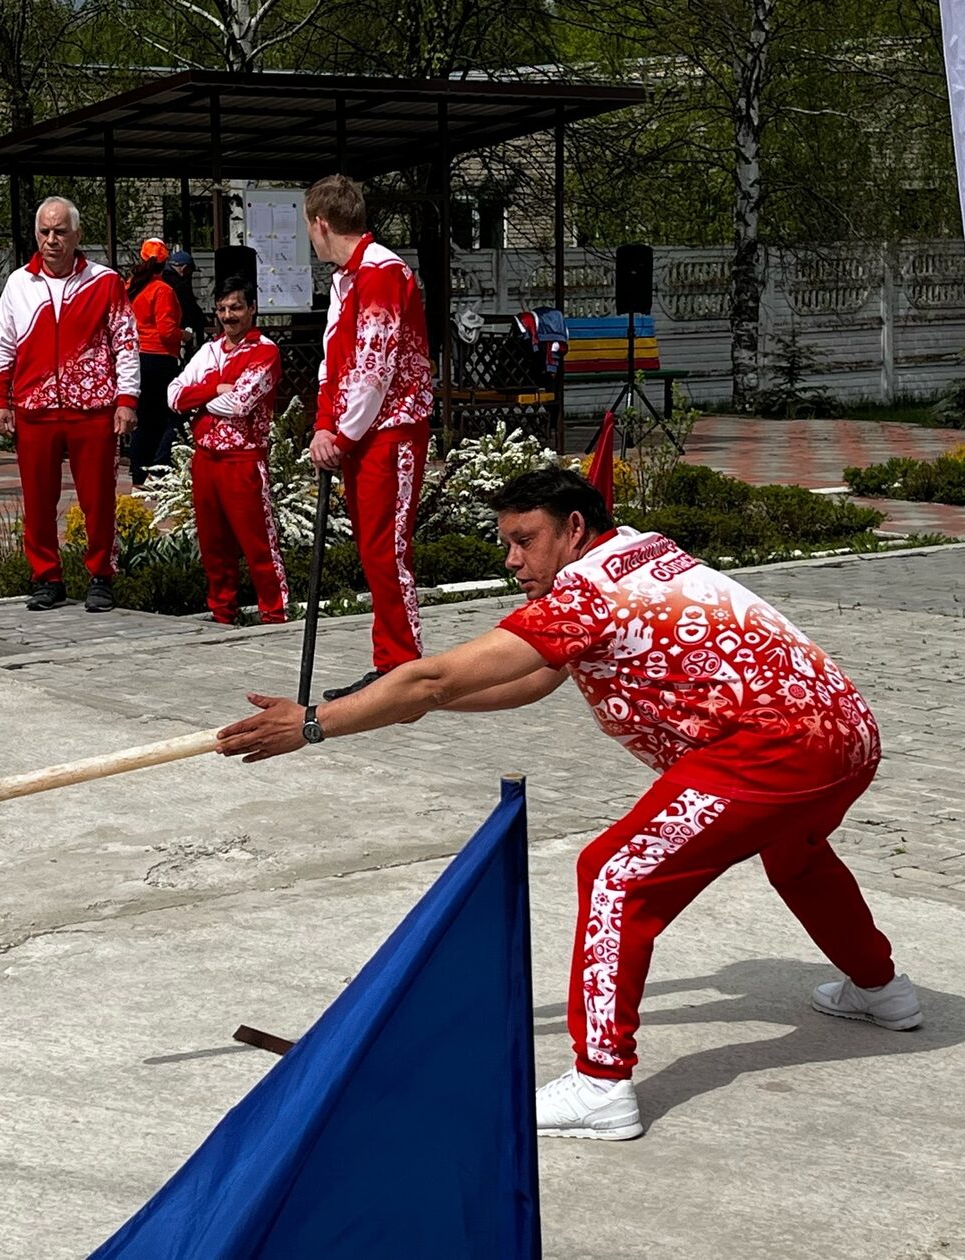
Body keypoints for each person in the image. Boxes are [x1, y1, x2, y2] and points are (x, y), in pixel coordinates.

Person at [216, 467, 920, 1142]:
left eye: (524, 540)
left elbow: (433, 677)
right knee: (796, 859)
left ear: (574, 527)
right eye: (505, 544)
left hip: (770, 749)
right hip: (845, 735)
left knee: (615, 875)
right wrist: (405, 708)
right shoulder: (641, 552)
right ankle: (881, 989)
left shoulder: (584, 594)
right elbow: (534, 678)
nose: (512, 560)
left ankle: (600, 1084)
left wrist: (314, 724)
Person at [303, 174, 435, 699]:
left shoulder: (381, 271)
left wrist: (340, 433)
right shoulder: (347, 277)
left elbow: (372, 369)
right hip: (363, 431)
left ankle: (403, 664)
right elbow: (333, 361)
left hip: (391, 429)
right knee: (373, 547)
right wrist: (322, 423)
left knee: (387, 548)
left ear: (320, 223)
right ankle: (390, 658)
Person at [0, 195, 139, 613]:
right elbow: (2, 343)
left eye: (60, 232)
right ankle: (46, 578)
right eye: (44, 232)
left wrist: (126, 400)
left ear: (77, 235)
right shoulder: (19, 283)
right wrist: (0, 400)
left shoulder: (105, 282)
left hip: (93, 410)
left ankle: (101, 577)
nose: (51, 240)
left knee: (98, 499)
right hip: (35, 411)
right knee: (37, 500)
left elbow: (126, 344)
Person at [166, 276, 289, 624]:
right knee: (213, 544)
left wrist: (200, 397)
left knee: (257, 542)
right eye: (221, 309)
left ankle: (274, 613)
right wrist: (213, 387)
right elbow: (172, 395)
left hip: (244, 459)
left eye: (235, 307)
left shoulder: (265, 351)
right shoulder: (209, 351)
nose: (228, 316)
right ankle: (222, 612)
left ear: (252, 309)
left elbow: (239, 404)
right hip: (206, 459)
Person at [127, 238, 184, 487]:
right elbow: (167, 331)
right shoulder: (163, 290)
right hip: (160, 358)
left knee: (144, 418)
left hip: (136, 357)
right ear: (165, 262)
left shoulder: (131, 287)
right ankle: (159, 468)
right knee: (172, 417)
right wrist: (186, 334)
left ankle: (139, 471)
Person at [164, 250, 206, 366]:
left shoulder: (158, 279)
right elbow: (188, 306)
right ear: (185, 268)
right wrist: (201, 321)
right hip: (171, 336)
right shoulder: (180, 284)